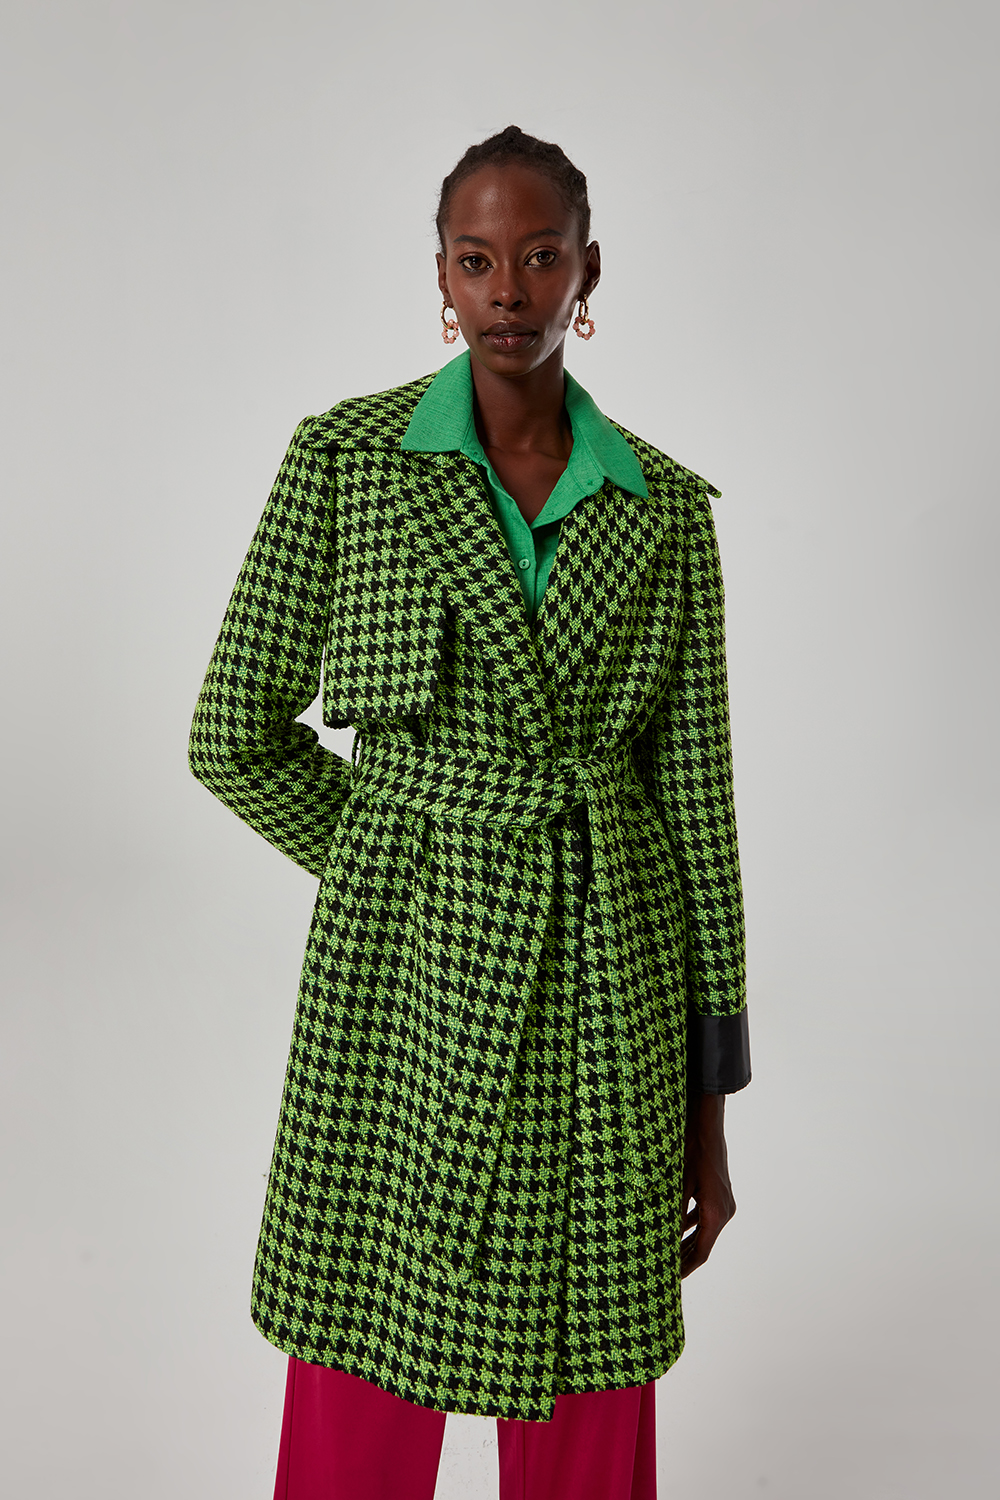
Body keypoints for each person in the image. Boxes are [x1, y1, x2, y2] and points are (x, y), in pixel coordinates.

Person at [189, 124, 750, 1500]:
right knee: (360, 1357)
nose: (510, 289)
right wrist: (399, 858)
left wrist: (711, 1112)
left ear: (588, 271)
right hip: (400, 989)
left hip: (611, 980)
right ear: (440, 275)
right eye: (478, 259)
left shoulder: (667, 514)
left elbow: (699, 815)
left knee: (588, 1383)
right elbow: (232, 733)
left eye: (541, 256)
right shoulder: (345, 464)